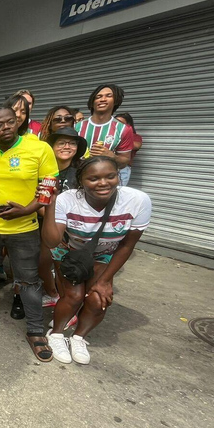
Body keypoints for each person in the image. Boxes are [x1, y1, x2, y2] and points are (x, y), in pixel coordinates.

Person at [0, 106, 59, 362]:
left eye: (10, 122)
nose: (6, 127)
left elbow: (50, 186)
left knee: (28, 279)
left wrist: (27, 209)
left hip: (24, 228)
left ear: (18, 122)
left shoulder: (39, 149)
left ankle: (36, 330)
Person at [43, 156, 151, 364]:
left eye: (110, 176)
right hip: (68, 253)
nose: (103, 183)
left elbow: (127, 245)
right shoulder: (67, 199)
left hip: (103, 255)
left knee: (98, 299)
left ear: (118, 176)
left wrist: (104, 281)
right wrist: (51, 204)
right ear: (81, 180)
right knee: (74, 296)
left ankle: (79, 337)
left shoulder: (138, 201)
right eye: (93, 178)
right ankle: (56, 335)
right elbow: (51, 241)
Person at [37, 127, 88, 312]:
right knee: (42, 264)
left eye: (72, 143)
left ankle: (70, 305)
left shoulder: (82, 171)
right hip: (48, 226)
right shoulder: (42, 168)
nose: (67, 147)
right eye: (61, 143)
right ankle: (53, 294)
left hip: (75, 230)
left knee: (66, 270)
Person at [75, 84, 134, 170]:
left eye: (108, 96)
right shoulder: (77, 126)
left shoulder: (124, 129)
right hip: (77, 178)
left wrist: (111, 156)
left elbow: (125, 161)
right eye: (98, 97)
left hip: (104, 180)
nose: (102, 99)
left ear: (116, 101)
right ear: (92, 102)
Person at [115, 112, 142, 187]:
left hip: (122, 169)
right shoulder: (111, 134)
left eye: (120, 123)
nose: (117, 124)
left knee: (119, 192)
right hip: (108, 166)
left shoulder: (135, 137)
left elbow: (137, 146)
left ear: (128, 125)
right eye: (115, 122)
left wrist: (121, 139)